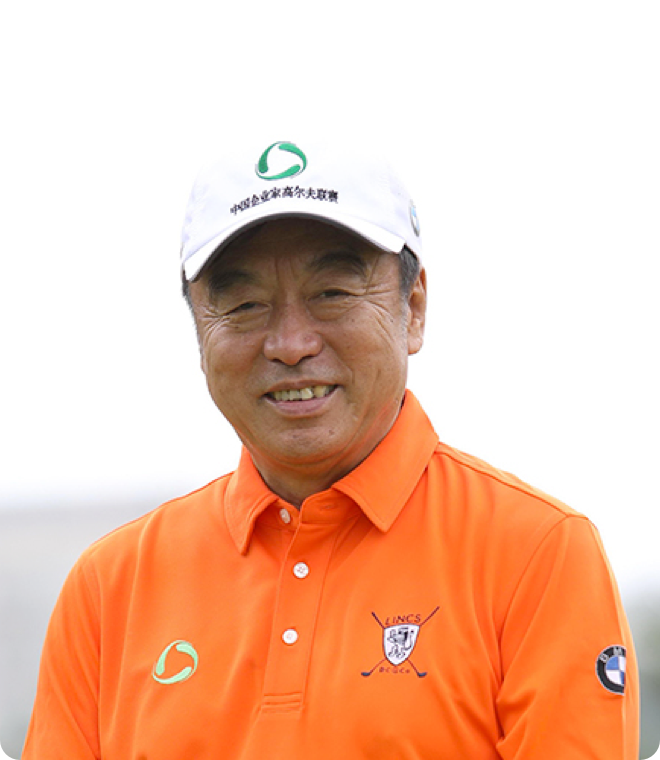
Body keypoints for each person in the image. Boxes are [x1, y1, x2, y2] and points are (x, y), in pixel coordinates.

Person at [22, 138, 639, 759]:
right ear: (199, 333)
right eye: (244, 304)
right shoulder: (109, 589)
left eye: (333, 293)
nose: (290, 344)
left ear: (413, 309)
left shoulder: (536, 553)